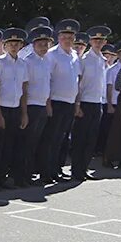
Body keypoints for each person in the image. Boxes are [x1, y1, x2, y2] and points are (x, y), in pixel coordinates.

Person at [40, 19, 81, 183]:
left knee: (63, 139)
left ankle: (57, 169)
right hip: (56, 102)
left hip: (70, 102)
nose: (68, 40)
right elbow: (47, 80)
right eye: (65, 36)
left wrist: (77, 103)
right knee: (51, 139)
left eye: (70, 37)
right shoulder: (52, 55)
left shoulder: (74, 55)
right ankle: (46, 172)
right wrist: (48, 103)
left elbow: (77, 80)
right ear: (59, 37)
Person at [71, 25, 109, 181]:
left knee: (91, 139)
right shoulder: (85, 59)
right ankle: (76, 170)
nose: (98, 43)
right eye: (95, 40)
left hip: (97, 102)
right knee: (80, 138)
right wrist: (77, 104)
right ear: (90, 41)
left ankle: (83, 168)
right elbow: (79, 83)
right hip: (85, 103)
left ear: (105, 42)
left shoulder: (102, 59)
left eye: (101, 40)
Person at [0, 27, 28, 188]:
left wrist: (24, 113)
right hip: (3, 108)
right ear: (5, 45)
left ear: (21, 45)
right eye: (10, 43)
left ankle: (13, 177)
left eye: (17, 43)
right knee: (0, 147)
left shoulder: (23, 64)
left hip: (16, 108)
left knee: (15, 145)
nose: (14, 46)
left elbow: (24, 89)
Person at [22, 25, 53, 185]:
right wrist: (25, 111)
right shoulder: (29, 62)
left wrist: (48, 106)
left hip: (42, 105)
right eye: (40, 44)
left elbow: (46, 85)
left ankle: (35, 172)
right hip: (31, 106)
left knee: (40, 141)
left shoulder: (46, 61)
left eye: (46, 44)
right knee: (29, 142)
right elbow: (25, 87)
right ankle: (25, 175)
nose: (43, 47)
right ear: (33, 45)